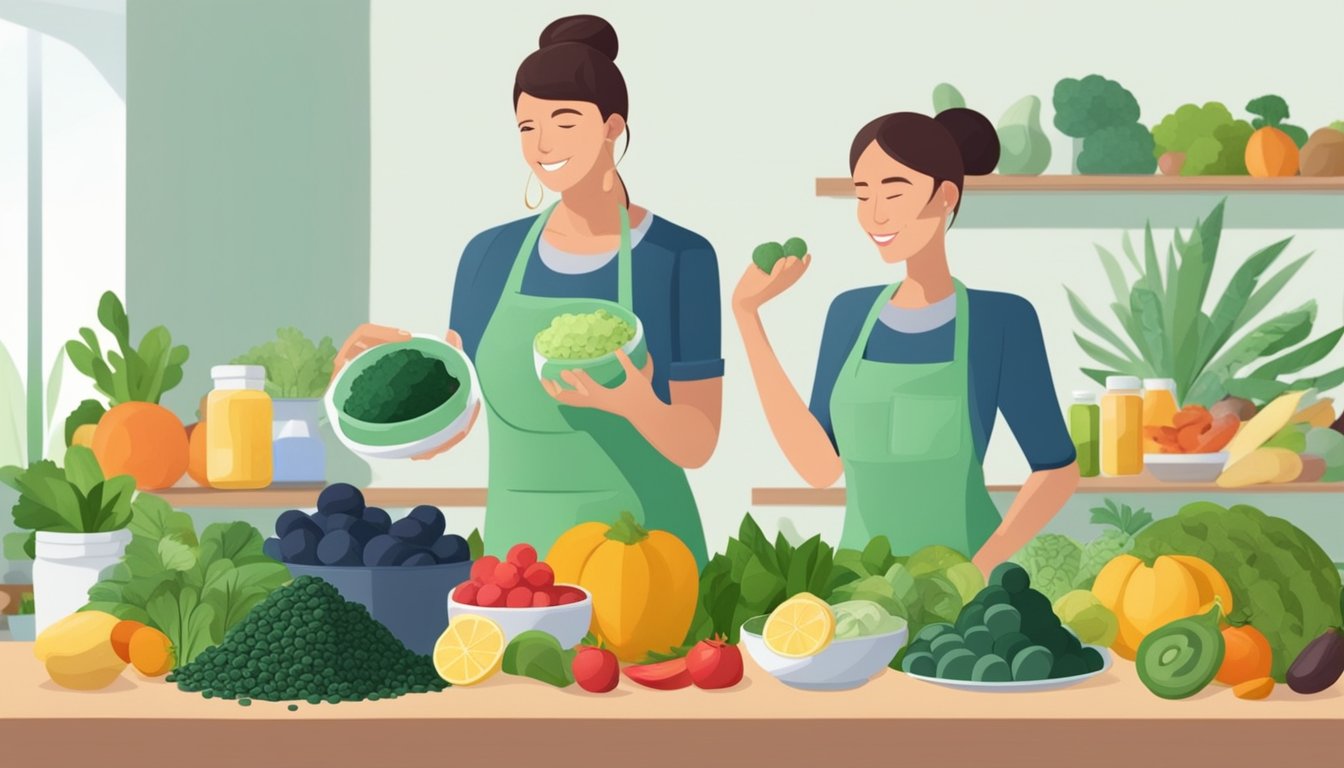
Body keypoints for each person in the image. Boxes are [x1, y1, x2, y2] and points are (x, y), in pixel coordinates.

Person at [334, 15, 723, 565]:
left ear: (613, 126)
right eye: (526, 127)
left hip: (647, 555)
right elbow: (452, 426)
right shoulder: (488, 257)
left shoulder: (678, 258)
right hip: (520, 564)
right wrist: (387, 391)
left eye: (565, 123)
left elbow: (699, 443)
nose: (543, 146)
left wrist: (639, 405)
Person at [731, 108, 1080, 578]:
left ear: (945, 197)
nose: (875, 213)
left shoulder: (1001, 320)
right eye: (862, 194)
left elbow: (1057, 470)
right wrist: (748, 317)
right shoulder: (849, 314)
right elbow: (819, 468)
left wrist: (981, 568)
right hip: (857, 586)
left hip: (967, 586)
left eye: (894, 191)